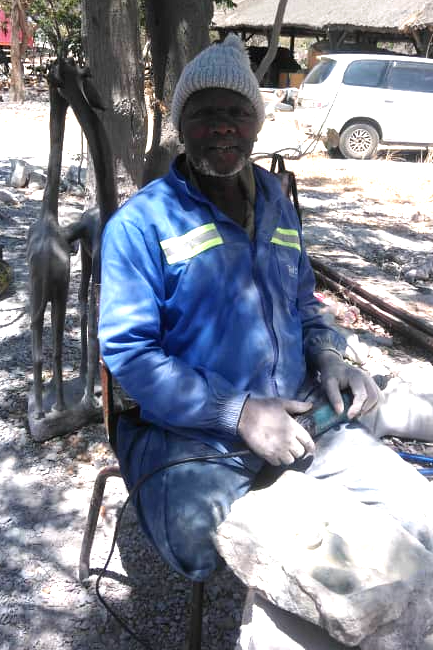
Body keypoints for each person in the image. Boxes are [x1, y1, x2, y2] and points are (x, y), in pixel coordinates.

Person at [98, 34, 433, 583]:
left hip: (298, 414)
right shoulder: (139, 225)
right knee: (246, 557)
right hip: (196, 436)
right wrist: (238, 412)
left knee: (419, 516)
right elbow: (130, 354)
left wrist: (329, 357)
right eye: (206, 114)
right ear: (183, 127)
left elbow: (303, 299)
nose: (223, 126)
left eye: (236, 112)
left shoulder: (276, 203)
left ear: (256, 123)